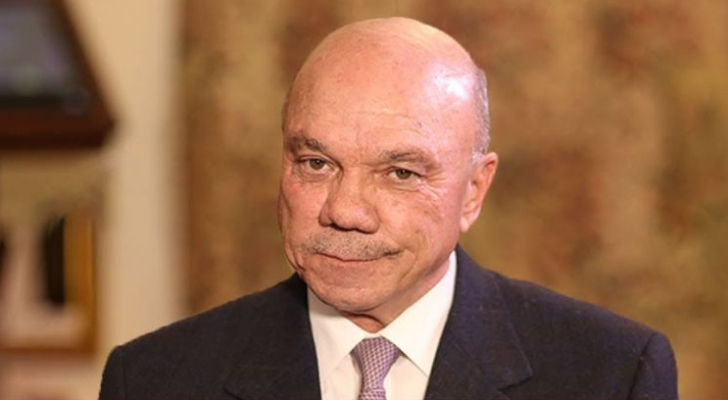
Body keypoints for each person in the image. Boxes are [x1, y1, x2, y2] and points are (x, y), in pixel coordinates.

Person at [99, 17, 677, 399]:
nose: (346, 211)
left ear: (474, 191)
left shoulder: (610, 374)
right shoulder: (155, 380)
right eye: (316, 163)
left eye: (400, 173)